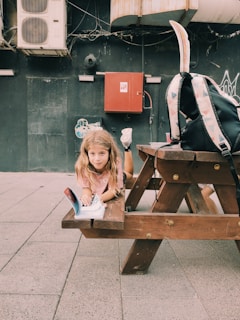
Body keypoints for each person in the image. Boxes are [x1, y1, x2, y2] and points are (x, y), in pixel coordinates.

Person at [75, 128, 133, 205]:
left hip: (112, 174)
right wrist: (86, 197)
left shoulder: (115, 162)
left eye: (102, 153)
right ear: (86, 153)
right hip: (100, 181)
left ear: (109, 153)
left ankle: (127, 146)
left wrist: (97, 200)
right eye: (92, 153)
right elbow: (86, 188)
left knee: (129, 175)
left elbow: (113, 190)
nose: (97, 159)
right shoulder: (82, 165)